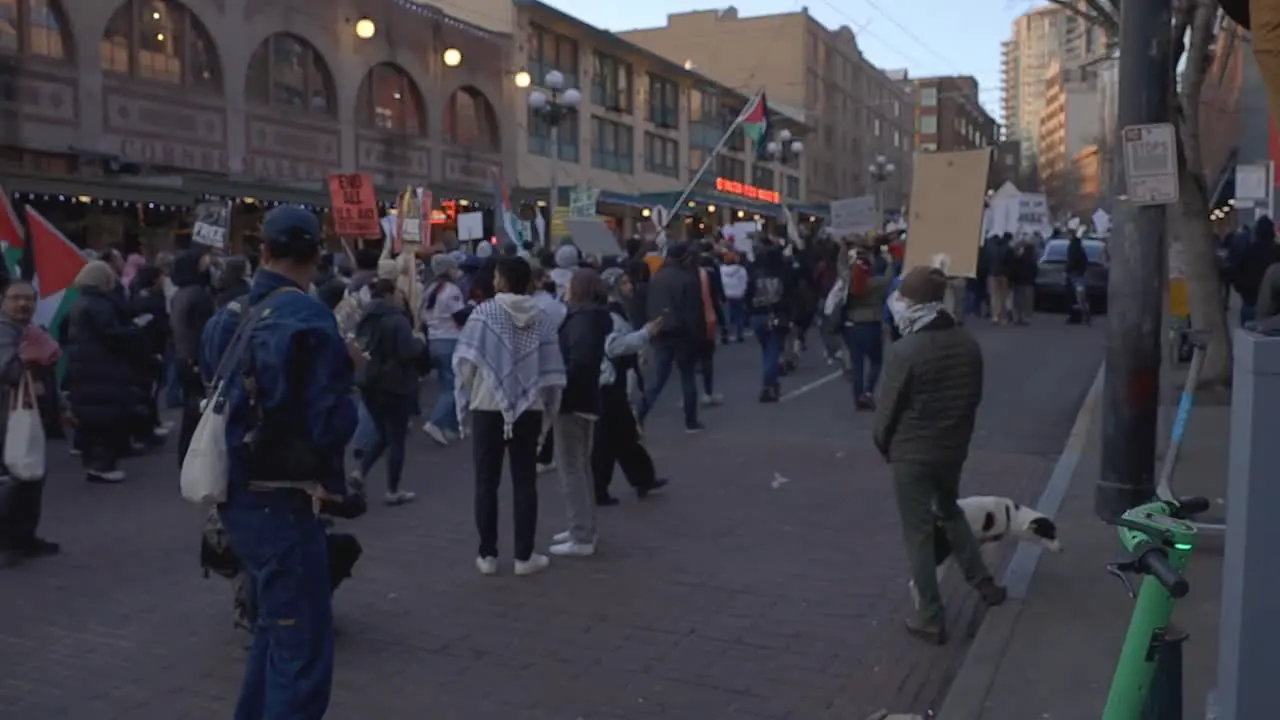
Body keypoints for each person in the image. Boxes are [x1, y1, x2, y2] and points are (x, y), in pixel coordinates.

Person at [201, 206, 358, 720]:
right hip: (284, 497)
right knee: (302, 653)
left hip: (236, 490)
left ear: (263, 252)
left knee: (275, 630)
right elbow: (330, 422)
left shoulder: (226, 316)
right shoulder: (310, 319)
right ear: (316, 256)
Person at [874, 267, 1007, 645]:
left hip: (912, 452)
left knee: (919, 534)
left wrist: (884, 444)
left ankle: (931, 616)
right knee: (949, 511)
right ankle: (983, 583)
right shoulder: (967, 343)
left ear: (912, 303)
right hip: (951, 448)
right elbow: (973, 398)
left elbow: (888, 411)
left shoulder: (905, 350)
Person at [453, 257, 565, 577]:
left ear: (500, 279)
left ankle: (487, 555)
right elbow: (550, 368)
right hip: (528, 406)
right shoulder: (541, 316)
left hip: (487, 406)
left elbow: (466, 361)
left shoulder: (484, 313)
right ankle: (523, 556)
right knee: (525, 482)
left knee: (485, 482)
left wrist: (469, 394)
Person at [549, 269, 612, 558]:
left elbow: (580, 362)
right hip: (584, 398)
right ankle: (583, 525)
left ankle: (581, 533)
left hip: (572, 399)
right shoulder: (591, 318)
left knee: (571, 466)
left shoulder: (581, 321)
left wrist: (561, 387)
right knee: (580, 465)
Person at [593, 269, 668, 505]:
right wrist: (644, 335)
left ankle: (641, 478)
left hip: (614, 380)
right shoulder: (610, 314)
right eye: (624, 282)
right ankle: (601, 487)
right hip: (608, 382)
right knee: (609, 438)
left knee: (622, 434)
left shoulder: (617, 310)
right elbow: (613, 347)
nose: (630, 286)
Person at [64, 261, 144, 483]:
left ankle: (93, 461)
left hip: (84, 365)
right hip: (102, 366)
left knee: (91, 418)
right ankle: (102, 463)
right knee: (107, 417)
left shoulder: (79, 302)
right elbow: (111, 333)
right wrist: (133, 332)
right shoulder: (100, 304)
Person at [0, 280, 61, 567]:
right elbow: (9, 371)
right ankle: (8, 542)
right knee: (14, 478)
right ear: (3, 301)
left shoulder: (26, 331)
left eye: (28, 299)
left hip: (25, 414)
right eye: (15, 299)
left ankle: (24, 538)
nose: (22, 304)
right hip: (7, 416)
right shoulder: (4, 331)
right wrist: (34, 354)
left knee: (30, 476)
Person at [354, 278, 424, 506]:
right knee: (396, 437)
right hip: (394, 384)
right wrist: (419, 343)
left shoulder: (365, 317)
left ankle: (360, 471)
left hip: (369, 381)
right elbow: (407, 352)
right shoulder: (397, 319)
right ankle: (392, 489)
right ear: (390, 294)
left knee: (383, 433)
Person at [638, 243, 706, 432]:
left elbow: (650, 305)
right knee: (687, 376)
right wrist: (699, 338)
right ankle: (690, 421)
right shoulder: (688, 279)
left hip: (661, 329)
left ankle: (640, 413)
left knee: (658, 377)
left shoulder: (657, 277)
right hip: (683, 333)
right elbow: (694, 312)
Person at [170, 248, 216, 465]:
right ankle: (194, 457)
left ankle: (186, 455)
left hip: (183, 355)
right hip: (195, 357)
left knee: (191, 409)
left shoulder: (180, 293)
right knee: (198, 410)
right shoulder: (198, 295)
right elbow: (203, 331)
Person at [421, 253, 467, 445]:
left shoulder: (429, 290)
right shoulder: (452, 291)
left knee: (445, 384)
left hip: (434, 340)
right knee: (454, 386)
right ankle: (435, 422)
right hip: (450, 340)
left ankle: (451, 427)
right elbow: (459, 317)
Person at [841, 244, 890, 410]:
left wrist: (842, 248)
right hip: (871, 324)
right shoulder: (877, 283)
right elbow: (891, 278)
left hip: (851, 325)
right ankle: (868, 392)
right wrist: (889, 261)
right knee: (876, 361)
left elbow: (840, 267)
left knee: (857, 365)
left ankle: (858, 396)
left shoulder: (847, 283)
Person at [745, 245, 792, 403]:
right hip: (776, 315)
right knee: (773, 350)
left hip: (757, 316)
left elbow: (747, 295)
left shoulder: (754, 275)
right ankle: (768, 385)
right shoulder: (781, 276)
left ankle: (771, 381)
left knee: (766, 349)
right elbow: (787, 295)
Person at [719, 252, 748, 343]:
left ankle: (725, 335)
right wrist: (743, 291)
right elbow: (745, 281)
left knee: (726, 316)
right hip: (738, 294)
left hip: (726, 294)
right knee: (739, 315)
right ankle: (739, 335)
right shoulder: (741, 270)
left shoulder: (720, 270)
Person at [1064, 233, 1091, 325]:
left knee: (1073, 297)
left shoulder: (1072, 249)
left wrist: (1066, 270)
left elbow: (1070, 261)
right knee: (1080, 296)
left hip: (1073, 275)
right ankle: (1084, 312)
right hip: (1080, 275)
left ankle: (1075, 316)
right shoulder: (1081, 250)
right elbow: (1085, 262)